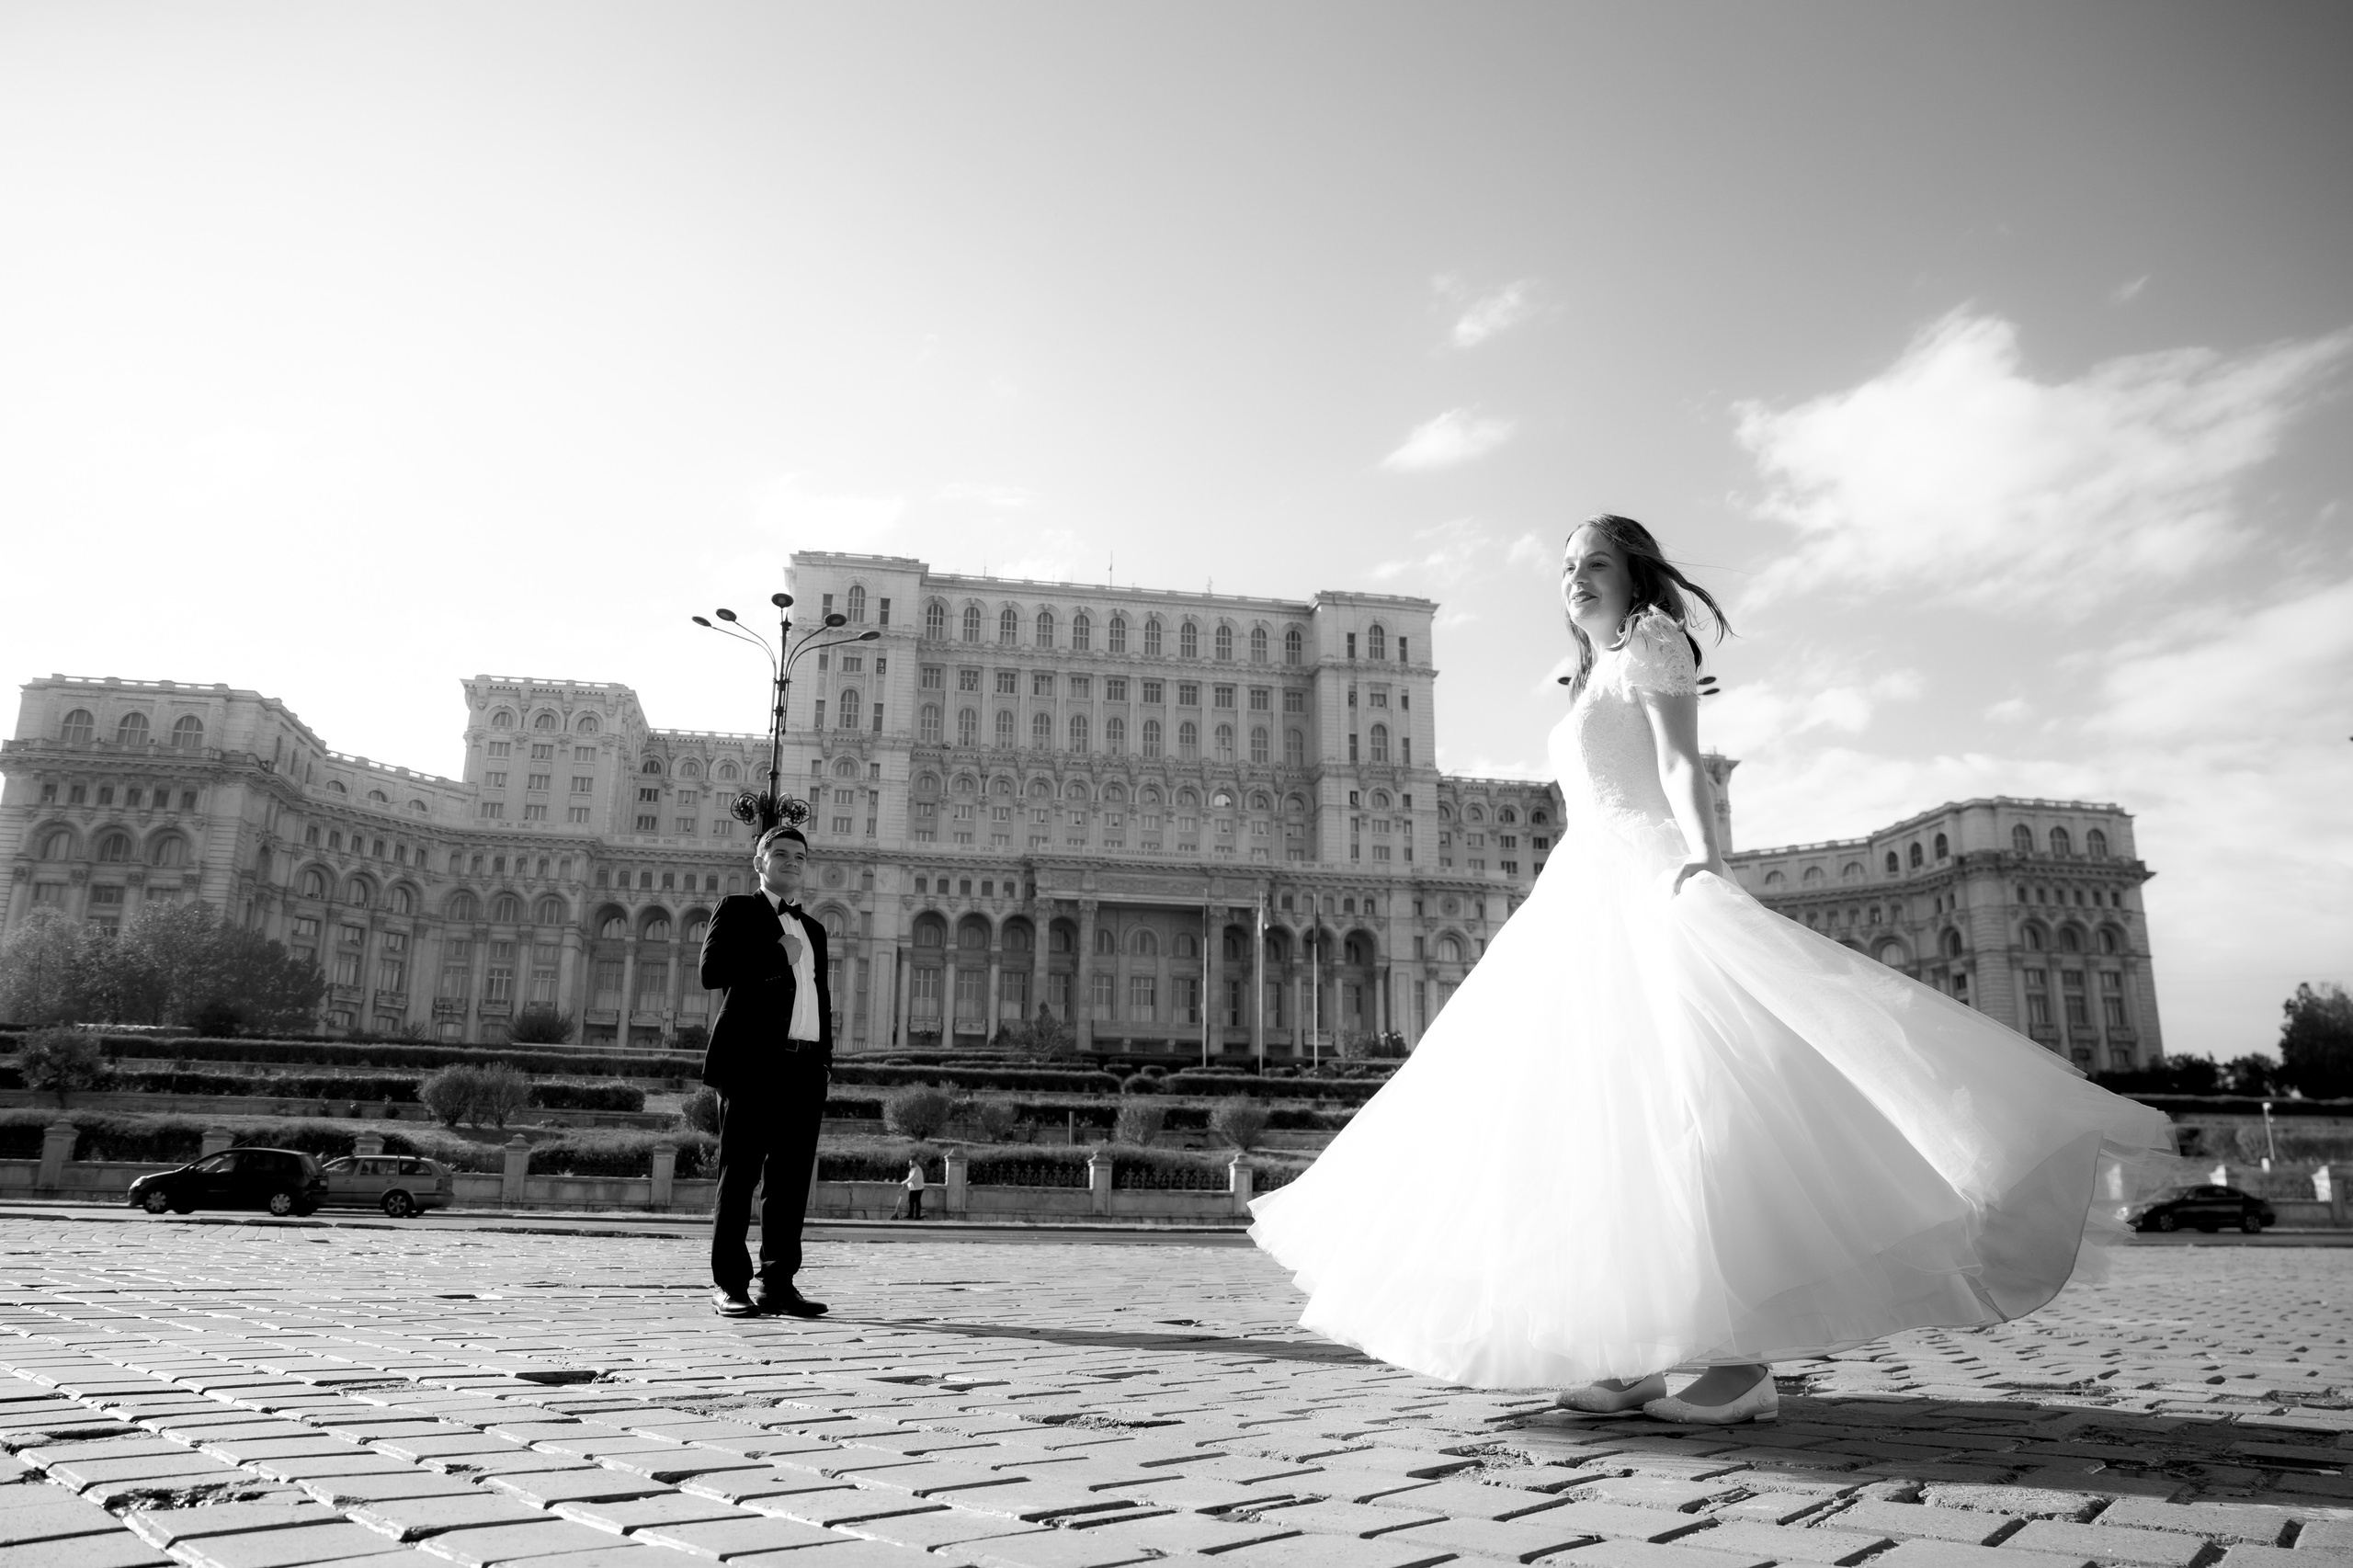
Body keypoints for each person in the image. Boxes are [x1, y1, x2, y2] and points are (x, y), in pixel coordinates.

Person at [1248, 514, 2172, 1425]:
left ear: (1633, 572)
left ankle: (1737, 1368)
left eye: (1595, 561)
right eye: (1566, 566)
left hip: (1640, 878)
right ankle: (1628, 1354)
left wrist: (1702, 861)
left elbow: (1681, 765)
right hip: (1579, 891)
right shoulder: (1593, 670)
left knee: (1690, 1108)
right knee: (1599, 1118)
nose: (1575, 577)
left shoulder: (1652, 643)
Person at [699, 824, 833, 1319]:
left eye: (800, 855)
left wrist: (825, 1062)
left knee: (790, 1183)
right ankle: (729, 1284)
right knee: (739, 1178)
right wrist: (776, 954)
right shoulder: (737, 908)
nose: (792, 861)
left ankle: (778, 1283)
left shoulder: (814, 929)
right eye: (780, 853)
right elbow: (712, 972)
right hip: (751, 1064)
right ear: (760, 862)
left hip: (805, 1067)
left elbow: (819, 999)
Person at [903, 1156, 926, 1221]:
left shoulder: (917, 1170)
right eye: (910, 1163)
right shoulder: (913, 1169)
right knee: (911, 1202)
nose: (910, 1164)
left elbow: (912, 1178)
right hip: (913, 1188)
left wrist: (904, 1182)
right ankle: (911, 1215)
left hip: (918, 1188)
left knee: (917, 1202)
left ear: (915, 1162)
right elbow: (909, 1178)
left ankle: (917, 1216)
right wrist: (906, 1183)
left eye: (911, 1163)